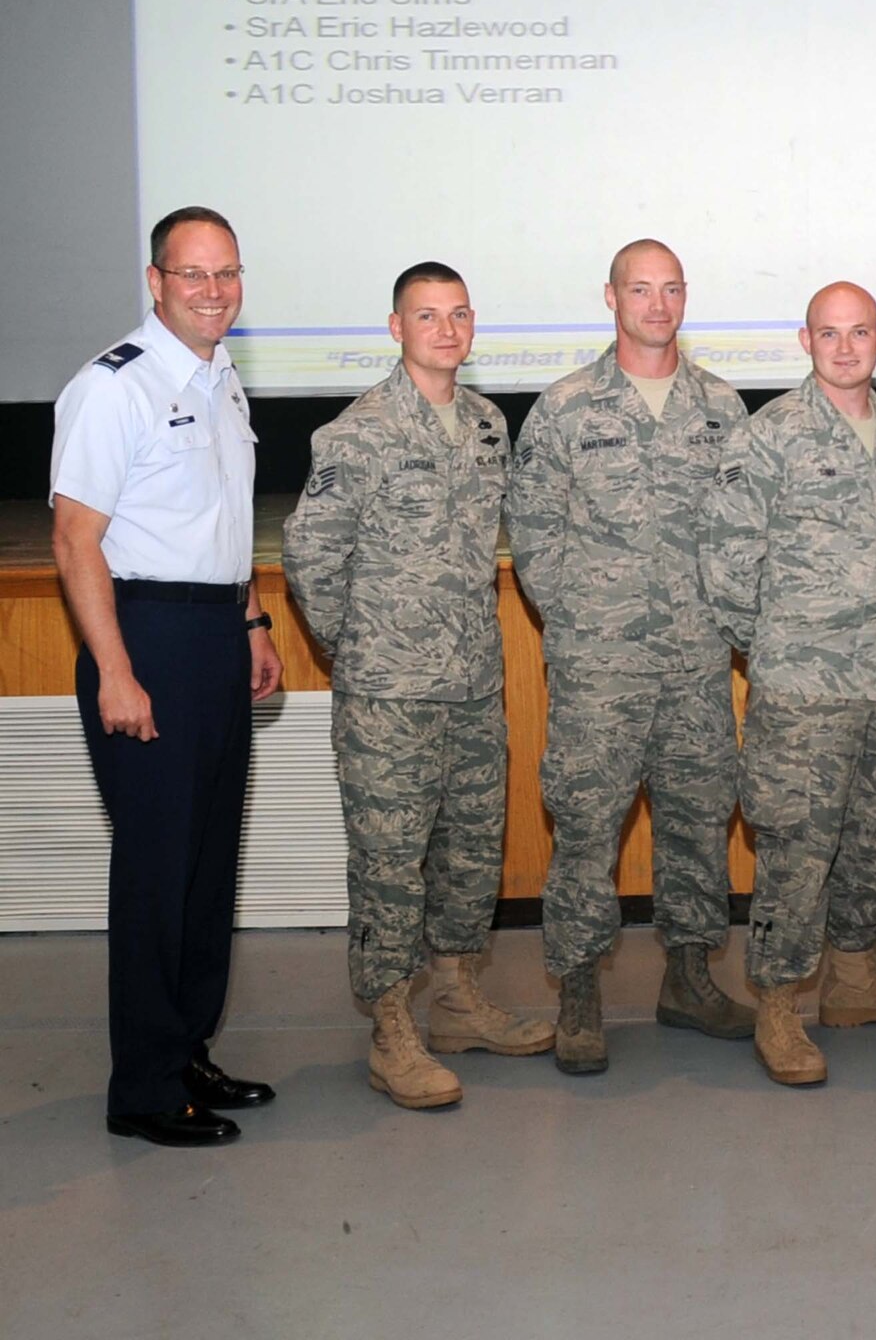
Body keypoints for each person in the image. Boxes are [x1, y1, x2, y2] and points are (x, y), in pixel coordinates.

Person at [284, 262, 553, 1108]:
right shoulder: (356, 434)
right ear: (395, 328)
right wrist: (359, 646)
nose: (446, 329)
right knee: (391, 865)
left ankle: (456, 996)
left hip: (472, 680)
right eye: (426, 316)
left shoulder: (483, 423)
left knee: (470, 851)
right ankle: (390, 1026)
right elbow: (310, 554)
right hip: (390, 694)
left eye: (459, 314)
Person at [51, 205, 284, 1147]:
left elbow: (224, 520)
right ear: (155, 282)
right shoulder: (116, 386)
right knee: (156, 875)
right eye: (193, 274)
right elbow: (76, 541)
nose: (213, 290)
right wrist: (116, 670)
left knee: (205, 866)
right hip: (144, 636)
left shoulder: (222, 376)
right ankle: (142, 1090)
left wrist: (256, 618)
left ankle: (186, 1051)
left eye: (227, 272)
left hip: (215, 634)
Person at [505, 240, 753, 1075]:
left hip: (695, 663)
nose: (657, 304)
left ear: (686, 297)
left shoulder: (722, 407)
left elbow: (744, 531)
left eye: (671, 289)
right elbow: (534, 535)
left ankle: (688, 977)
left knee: (698, 820)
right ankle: (578, 992)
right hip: (600, 667)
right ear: (609, 297)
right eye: (639, 290)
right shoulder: (567, 407)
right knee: (585, 827)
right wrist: (579, 623)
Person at [700, 282, 876, 1086]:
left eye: (861, 333)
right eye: (830, 334)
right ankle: (777, 1002)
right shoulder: (768, 437)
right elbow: (728, 565)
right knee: (797, 853)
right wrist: (781, 643)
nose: (846, 348)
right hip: (803, 689)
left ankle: (853, 979)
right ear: (804, 341)